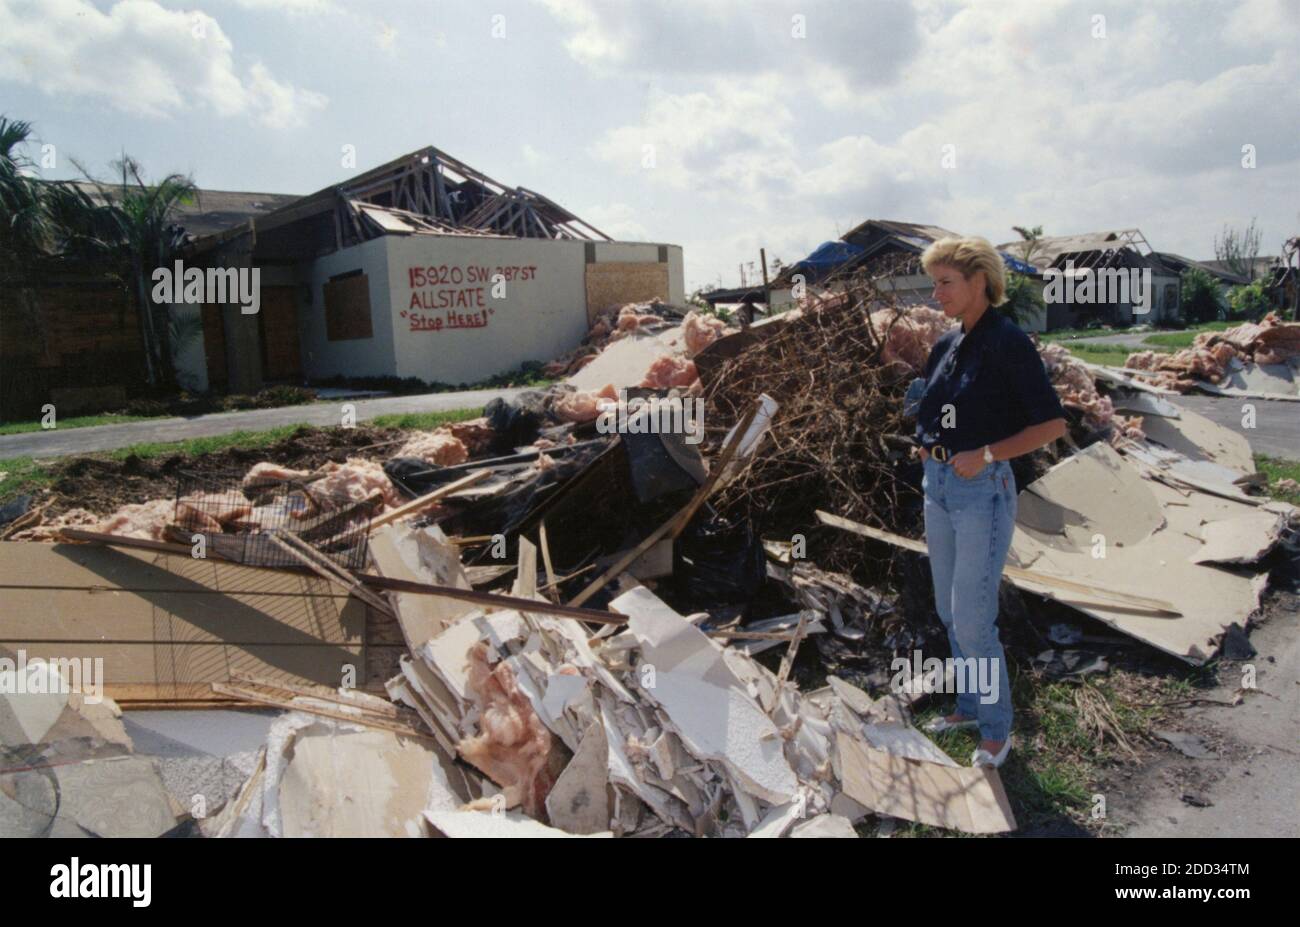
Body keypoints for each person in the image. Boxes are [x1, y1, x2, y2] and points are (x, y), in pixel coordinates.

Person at [910, 236, 1066, 768]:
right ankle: (971, 706)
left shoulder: (1008, 342)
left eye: (946, 282)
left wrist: (988, 452)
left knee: (975, 620)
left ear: (981, 281)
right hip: (939, 485)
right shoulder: (948, 344)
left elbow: (1052, 423)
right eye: (934, 282)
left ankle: (998, 733)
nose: (937, 293)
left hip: (982, 489)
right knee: (950, 611)